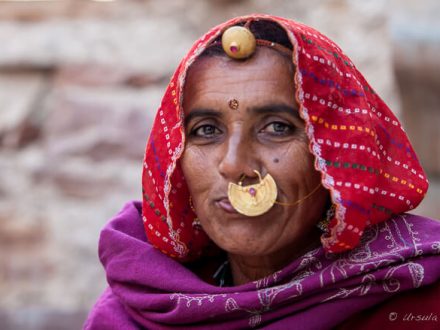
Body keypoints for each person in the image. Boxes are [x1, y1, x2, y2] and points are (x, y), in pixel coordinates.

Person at [84, 14, 440, 329]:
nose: (235, 165)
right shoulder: (136, 311)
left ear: (333, 155)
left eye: (277, 128)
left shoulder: (417, 304)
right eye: (207, 130)